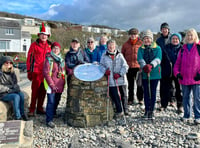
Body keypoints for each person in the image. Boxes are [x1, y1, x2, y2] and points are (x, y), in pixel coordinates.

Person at [174, 28, 200, 124]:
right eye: (188, 35)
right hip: (184, 78)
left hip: (196, 78)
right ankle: (187, 115)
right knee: (185, 97)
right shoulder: (182, 49)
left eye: (191, 35)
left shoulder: (199, 47)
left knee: (197, 98)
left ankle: (198, 116)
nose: (189, 37)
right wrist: (177, 73)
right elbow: (177, 63)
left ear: (195, 36)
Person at [26, 22, 52, 117]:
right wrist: (29, 71)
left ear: (47, 36)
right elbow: (29, 59)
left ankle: (40, 108)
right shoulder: (34, 45)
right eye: (42, 34)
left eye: (45, 35)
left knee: (43, 92)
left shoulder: (50, 46)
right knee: (35, 92)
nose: (44, 36)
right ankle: (32, 109)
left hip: (45, 73)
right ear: (39, 35)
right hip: (36, 72)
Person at [100, 39, 129, 116]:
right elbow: (101, 66)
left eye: (112, 45)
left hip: (121, 79)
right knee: (115, 95)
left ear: (115, 46)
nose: (111, 47)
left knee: (123, 95)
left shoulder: (120, 55)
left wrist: (120, 74)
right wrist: (105, 71)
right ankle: (119, 110)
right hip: (112, 80)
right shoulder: (104, 55)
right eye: (109, 45)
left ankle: (125, 109)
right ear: (107, 46)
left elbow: (125, 66)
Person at [137, 30, 162, 119]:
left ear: (151, 39)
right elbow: (140, 58)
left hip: (155, 73)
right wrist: (144, 66)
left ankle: (152, 110)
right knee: (146, 92)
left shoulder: (158, 48)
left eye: (148, 38)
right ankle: (147, 110)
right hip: (145, 73)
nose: (147, 40)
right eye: (145, 38)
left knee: (153, 92)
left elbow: (158, 59)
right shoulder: (141, 49)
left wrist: (151, 65)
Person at [43, 42, 65, 128]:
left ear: (60, 50)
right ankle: (49, 120)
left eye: (57, 48)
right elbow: (46, 73)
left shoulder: (61, 60)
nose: (56, 50)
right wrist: (51, 84)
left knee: (57, 100)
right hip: (51, 85)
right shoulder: (49, 59)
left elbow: (63, 72)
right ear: (51, 49)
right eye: (54, 48)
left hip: (59, 84)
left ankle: (53, 113)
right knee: (51, 102)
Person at [0, 56, 28, 121]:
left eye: (10, 63)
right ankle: (17, 116)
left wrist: (15, 88)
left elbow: (15, 83)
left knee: (21, 94)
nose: (9, 64)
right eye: (7, 63)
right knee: (16, 96)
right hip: (3, 93)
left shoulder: (12, 72)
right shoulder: (0, 73)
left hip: (11, 91)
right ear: (3, 64)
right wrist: (8, 88)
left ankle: (22, 113)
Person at [121, 28, 143, 105]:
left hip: (138, 67)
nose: (133, 36)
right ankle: (130, 99)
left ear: (137, 35)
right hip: (129, 67)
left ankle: (140, 99)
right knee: (130, 85)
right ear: (129, 35)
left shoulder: (141, 43)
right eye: (132, 34)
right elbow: (122, 56)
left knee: (140, 84)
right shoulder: (125, 45)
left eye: (135, 34)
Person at [156, 22, 173, 110]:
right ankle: (163, 103)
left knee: (172, 84)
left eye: (166, 29)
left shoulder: (173, 38)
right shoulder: (158, 40)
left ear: (168, 29)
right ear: (161, 30)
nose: (164, 30)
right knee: (163, 84)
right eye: (163, 29)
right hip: (162, 64)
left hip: (172, 63)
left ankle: (172, 100)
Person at [165, 33, 183, 113]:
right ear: (171, 40)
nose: (175, 40)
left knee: (179, 89)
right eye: (173, 39)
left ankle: (180, 105)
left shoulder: (182, 49)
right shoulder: (167, 48)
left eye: (176, 39)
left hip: (179, 71)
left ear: (179, 40)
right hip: (169, 70)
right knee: (168, 88)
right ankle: (169, 102)